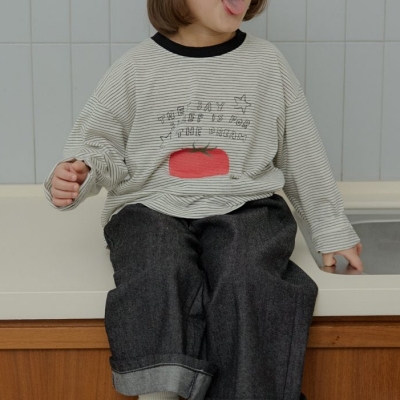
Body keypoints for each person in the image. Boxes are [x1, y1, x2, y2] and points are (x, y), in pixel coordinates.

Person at [44, 0, 363, 399]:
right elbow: (99, 144)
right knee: (157, 266)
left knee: (248, 276)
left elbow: (301, 152)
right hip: (151, 204)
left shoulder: (267, 63)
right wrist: (81, 171)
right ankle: (160, 391)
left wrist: (330, 227)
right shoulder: (136, 67)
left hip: (246, 203)